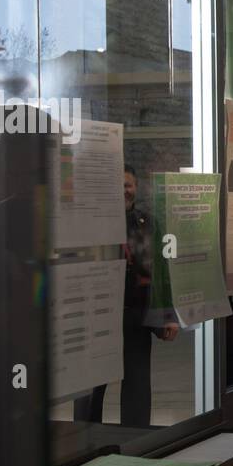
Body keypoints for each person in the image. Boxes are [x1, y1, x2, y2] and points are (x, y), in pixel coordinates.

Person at [74, 165, 179, 428]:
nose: (124, 191)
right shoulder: (88, 224)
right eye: (118, 185)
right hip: (96, 320)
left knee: (137, 391)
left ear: (136, 188)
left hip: (136, 316)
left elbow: (161, 272)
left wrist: (168, 315)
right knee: (88, 394)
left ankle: (135, 445)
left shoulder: (148, 223)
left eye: (128, 185)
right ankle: (84, 445)